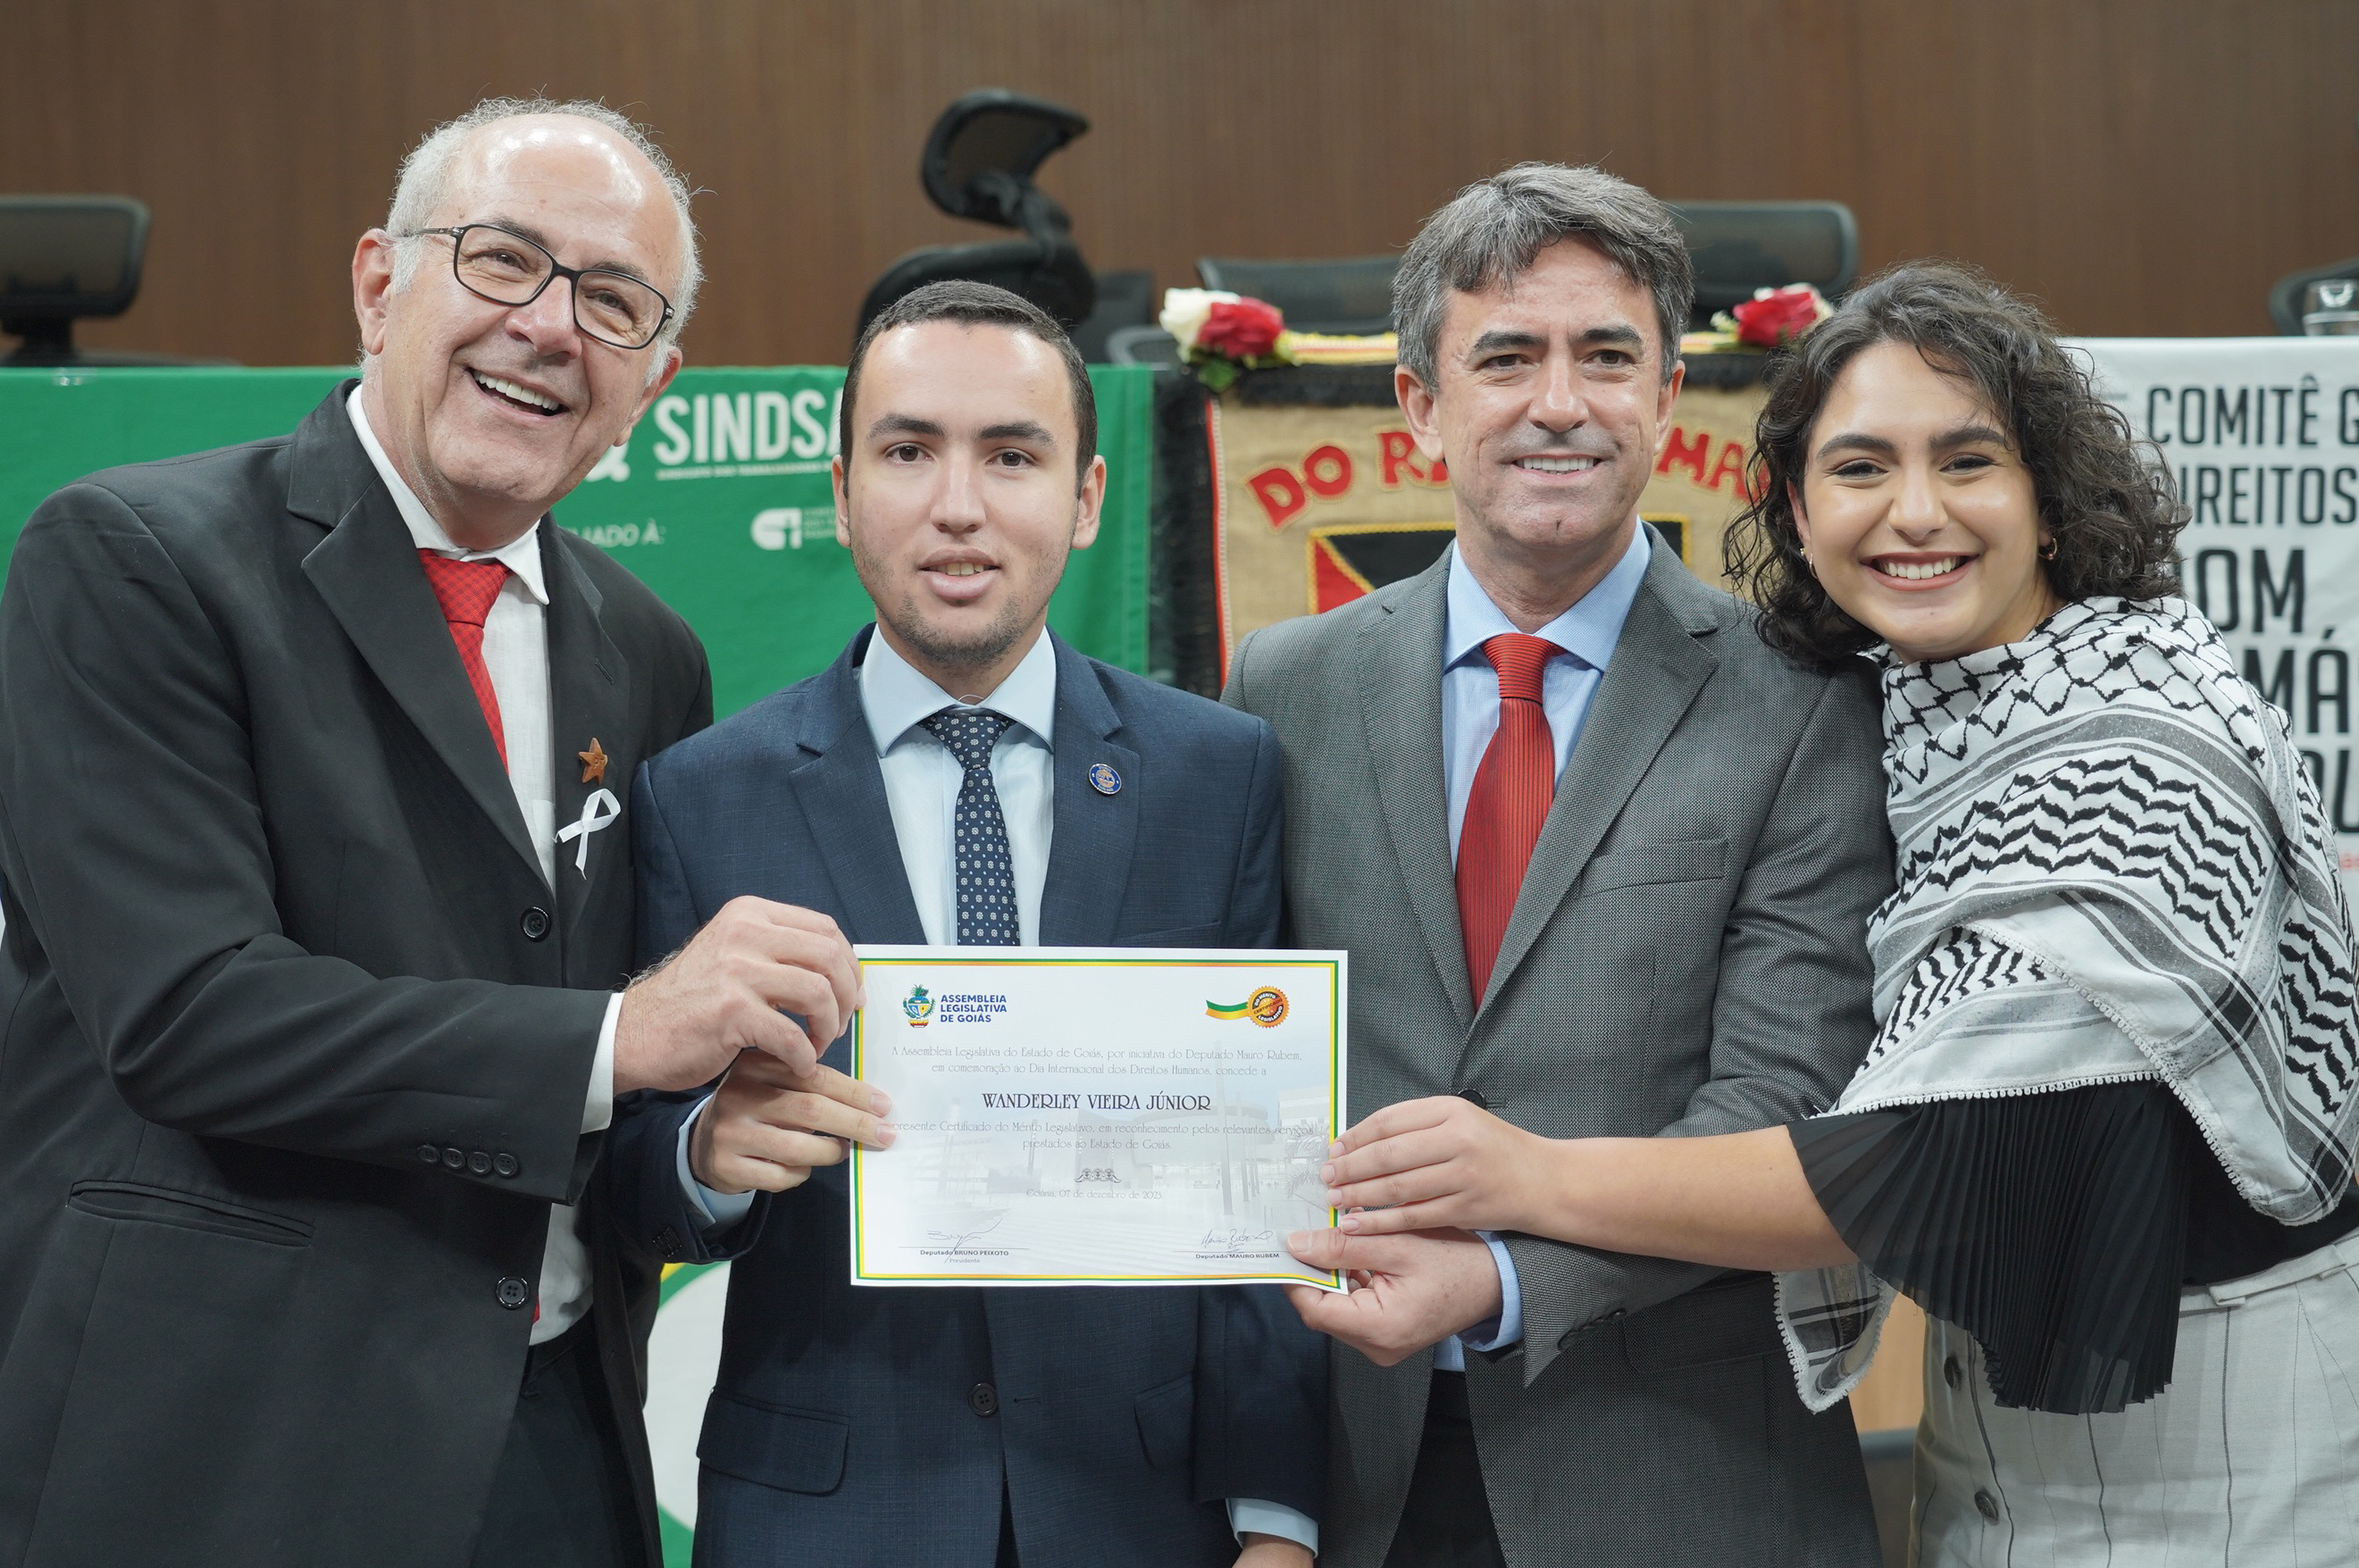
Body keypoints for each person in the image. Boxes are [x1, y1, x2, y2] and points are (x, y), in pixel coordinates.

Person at [1315, 263, 2359, 1563]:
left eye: (1967, 461)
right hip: (2000, 1417)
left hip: (2227, 1433)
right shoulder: (1932, 709)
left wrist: (1527, 1176)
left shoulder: (2132, 742)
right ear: (1800, 516)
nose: (1914, 512)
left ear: (2048, 499)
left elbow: (1922, 1161)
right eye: (1860, 468)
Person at [0, 99, 863, 1568]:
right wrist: (627, 1038)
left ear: (652, 383)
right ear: (377, 282)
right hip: (227, 1451)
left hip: (556, 1445)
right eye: (503, 259)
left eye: (613, 301)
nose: (549, 327)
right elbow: (188, 1016)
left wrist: (707, 1144)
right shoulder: (132, 561)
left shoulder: (650, 652)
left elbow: (621, 1107)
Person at [1220, 163, 1889, 1568]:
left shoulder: (1803, 698)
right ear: (1419, 407)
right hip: (1355, 1476)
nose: (1559, 403)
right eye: (1506, 358)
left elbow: (1782, 1106)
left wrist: (1502, 1279)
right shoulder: (1285, 685)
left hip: (1682, 1479)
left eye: (1605, 357)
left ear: (1666, 396)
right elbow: (1243, 1062)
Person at [603, 279, 1326, 1568]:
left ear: (1086, 498)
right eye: (907, 451)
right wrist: (707, 1150)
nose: (957, 504)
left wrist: (1278, 1517)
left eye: (1011, 455)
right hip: (821, 1516)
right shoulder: (700, 794)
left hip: (1140, 1510)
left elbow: (1264, 1177)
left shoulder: (1217, 777)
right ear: (841, 494)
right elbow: (622, 1173)